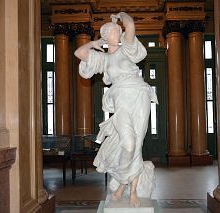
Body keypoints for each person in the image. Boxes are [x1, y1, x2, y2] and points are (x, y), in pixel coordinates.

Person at [74, 12, 158, 207]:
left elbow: (130, 25)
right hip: (121, 98)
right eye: (114, 31)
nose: (119, 33)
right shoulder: (102, 59)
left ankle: (131, 190)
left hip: (140, 95)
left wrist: (121, 15)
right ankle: (122, 183)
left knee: (136, 144)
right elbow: (79, 53)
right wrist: (92, 44)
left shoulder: (126, 49)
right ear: (105, 35)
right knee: (127, 144)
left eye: (119, 31)